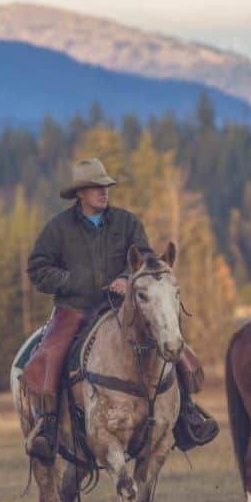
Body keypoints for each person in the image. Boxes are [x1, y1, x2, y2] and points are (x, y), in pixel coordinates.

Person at [21, 157, 218, 462]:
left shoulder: (127, 222)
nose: (104, 191)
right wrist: (73, 281)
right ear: (81, 193)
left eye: (105, 186)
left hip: (123, 308)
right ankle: (48, 426)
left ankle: (186, 414)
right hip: (74, 308)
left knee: (171, 342)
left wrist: (127, 279)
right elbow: (37, 269)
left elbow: (148, 260)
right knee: (53, 354)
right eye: (96, 187)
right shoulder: (57, 229)